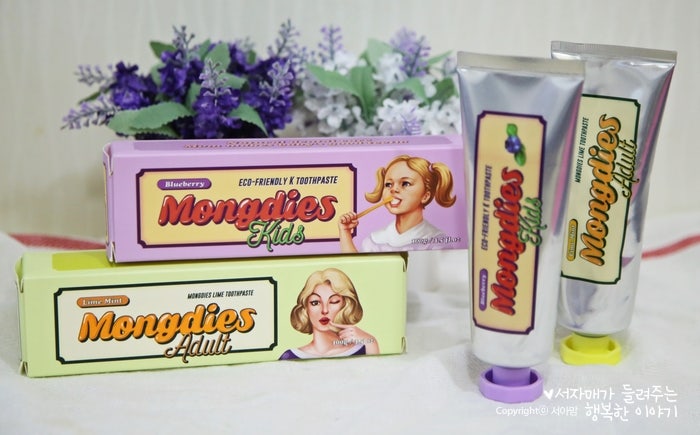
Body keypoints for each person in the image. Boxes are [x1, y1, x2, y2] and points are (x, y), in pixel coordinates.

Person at [339, 154, 456, 252]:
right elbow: (357, 270)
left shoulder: (436, 242)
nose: (393, 189)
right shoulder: (374, 241)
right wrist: (345, 232)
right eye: (388, 184)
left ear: (425, 196)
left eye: (405, 183)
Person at [279, 268, 378, 360]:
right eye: (315, 302)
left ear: (345, 305)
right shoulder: (290, 356)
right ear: (306, 308)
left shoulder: (364, 348)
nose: (324, 310)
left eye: (333, 301)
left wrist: (370, 340)